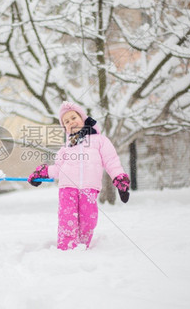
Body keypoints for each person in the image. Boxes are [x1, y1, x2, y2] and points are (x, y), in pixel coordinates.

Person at [28, 101, 130, 250]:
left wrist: (119, 178)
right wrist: (42, 173)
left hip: (89, 188)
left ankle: (82, 248)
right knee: (67, 220)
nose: (71, 122)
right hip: (67, 189)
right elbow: (58, 169)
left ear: (82, 118)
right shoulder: (66, 147)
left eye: (73, 118)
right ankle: (66, 248)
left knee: (89, 220)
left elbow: (111, 161)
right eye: (66, 122)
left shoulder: (100, 141)